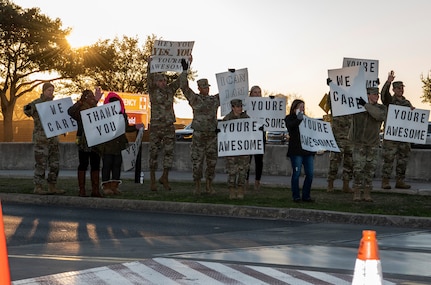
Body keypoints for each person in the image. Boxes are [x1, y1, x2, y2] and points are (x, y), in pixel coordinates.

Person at [147, 57, 189, 191]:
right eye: (160, 80)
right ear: (155, 82)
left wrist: (186, 68)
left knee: (169, 152)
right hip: (156, 126)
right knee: (153, 152)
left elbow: (180, 82)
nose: (163, 82)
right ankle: (153, 180)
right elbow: (149, 76)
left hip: (168, 126)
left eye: (165, 80)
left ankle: (164, 177)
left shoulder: (170, 90)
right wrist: (150, 64)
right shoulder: (152, 90)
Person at [96, 92, 142, 196]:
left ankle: (114, 186)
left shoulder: (122, 115)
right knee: (107, 165)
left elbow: (125, 128)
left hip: (119, 144)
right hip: (107, 145)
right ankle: (106, 186)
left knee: (117, 165)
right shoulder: (103, 116)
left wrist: (135, 127)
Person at [23, 82, 65, 195]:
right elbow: (26, 110)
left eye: (52, 90)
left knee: (55, 164)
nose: (51, 93)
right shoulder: (37, 103)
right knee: (41, 164)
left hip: (53, 139)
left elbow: (60, 119)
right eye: (48, 90)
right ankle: (38, 187)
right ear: (43, 91)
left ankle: (52, 186)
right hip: (41, 139)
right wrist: (31, 107)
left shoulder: (56, 105)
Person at [182, 78, 220, 195]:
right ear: (199, 88)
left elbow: (228, 92)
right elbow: (184, 88)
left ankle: (209, 185)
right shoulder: (195, 99)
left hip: (211, 136)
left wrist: (233, 77)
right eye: (204, 87)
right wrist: (184, 72)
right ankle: (197, 185)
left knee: (211, 162)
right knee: (197, 162)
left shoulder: (214, 99)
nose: (206, 89)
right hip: (199, 136)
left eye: (207, 87)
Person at [350, 88, 387, 201]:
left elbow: (379, 116)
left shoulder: (381, 108)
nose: (377, 96)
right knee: (358, 169)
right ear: (368, 95)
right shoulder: (358, 107)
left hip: (372, 144)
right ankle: (357, 191)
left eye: (378, 94)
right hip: (359, 144)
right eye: (374, 94)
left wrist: (366, 105)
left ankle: (367, 192)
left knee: (370, 170)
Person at [381, 71, 415, 190]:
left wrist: (413, 112)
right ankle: (385, 181)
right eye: (399, 88)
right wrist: (388, 82)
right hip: (391, 136)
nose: (401, 90)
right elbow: (383, 94)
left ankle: (400, 181)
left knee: (403, 159)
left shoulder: (407, 103)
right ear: (394, 90)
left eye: (402, 88)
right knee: (389, 159)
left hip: (403, 136)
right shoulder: (390, 101)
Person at [67, 88, 103, 197]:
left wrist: (96, 100)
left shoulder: (95, 108)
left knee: (95, 164)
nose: (92, 99)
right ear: (85, 99)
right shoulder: (80, 110)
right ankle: (82, 190)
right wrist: (80, 102)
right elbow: (70, 111)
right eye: (90, 97)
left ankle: (95, 190)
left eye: (93, 97)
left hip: (95, 140)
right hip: (83, 141)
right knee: (83, 164)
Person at [284, 99, 315, 203]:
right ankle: (296, 196)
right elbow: (291, 126)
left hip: (307, 151)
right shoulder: (289, 118)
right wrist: (298, 119)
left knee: (310, 174)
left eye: (303, 107)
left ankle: (306, 196)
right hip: (296, 151)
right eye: (300, 107)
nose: (303, 109)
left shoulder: (307, 119)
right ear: (294, 108)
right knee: (296, 173)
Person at [223, 99, 250, 199]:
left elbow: (251, 129)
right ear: (233, 107)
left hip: (243, 149)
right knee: (232, 171)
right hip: (231, 149)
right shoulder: (227, 119)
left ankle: (240, 188)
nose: (240, 108)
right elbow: (223, 134)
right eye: (237, 107)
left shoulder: (246, 117)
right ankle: (231, 189)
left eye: (241, 106)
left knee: (243, 170)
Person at [326, 97, 353, 193]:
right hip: (338, 138)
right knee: (334, 162)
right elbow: (328, 104)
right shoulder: (336, 106)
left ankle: (346, 185)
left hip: (350, 138)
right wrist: (331, 88)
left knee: (349, 163)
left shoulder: (352, 107)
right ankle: (330, 184)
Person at [245, 85, 265, 191]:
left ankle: (257, 182)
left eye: (259, 92)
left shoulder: (265, 105)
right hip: (248, 134)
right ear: (251, 94)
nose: (257, 94)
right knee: (247, 159)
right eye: (255, 92)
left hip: (260, 134)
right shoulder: (246, 106)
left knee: (259, 160)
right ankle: (246, 181)